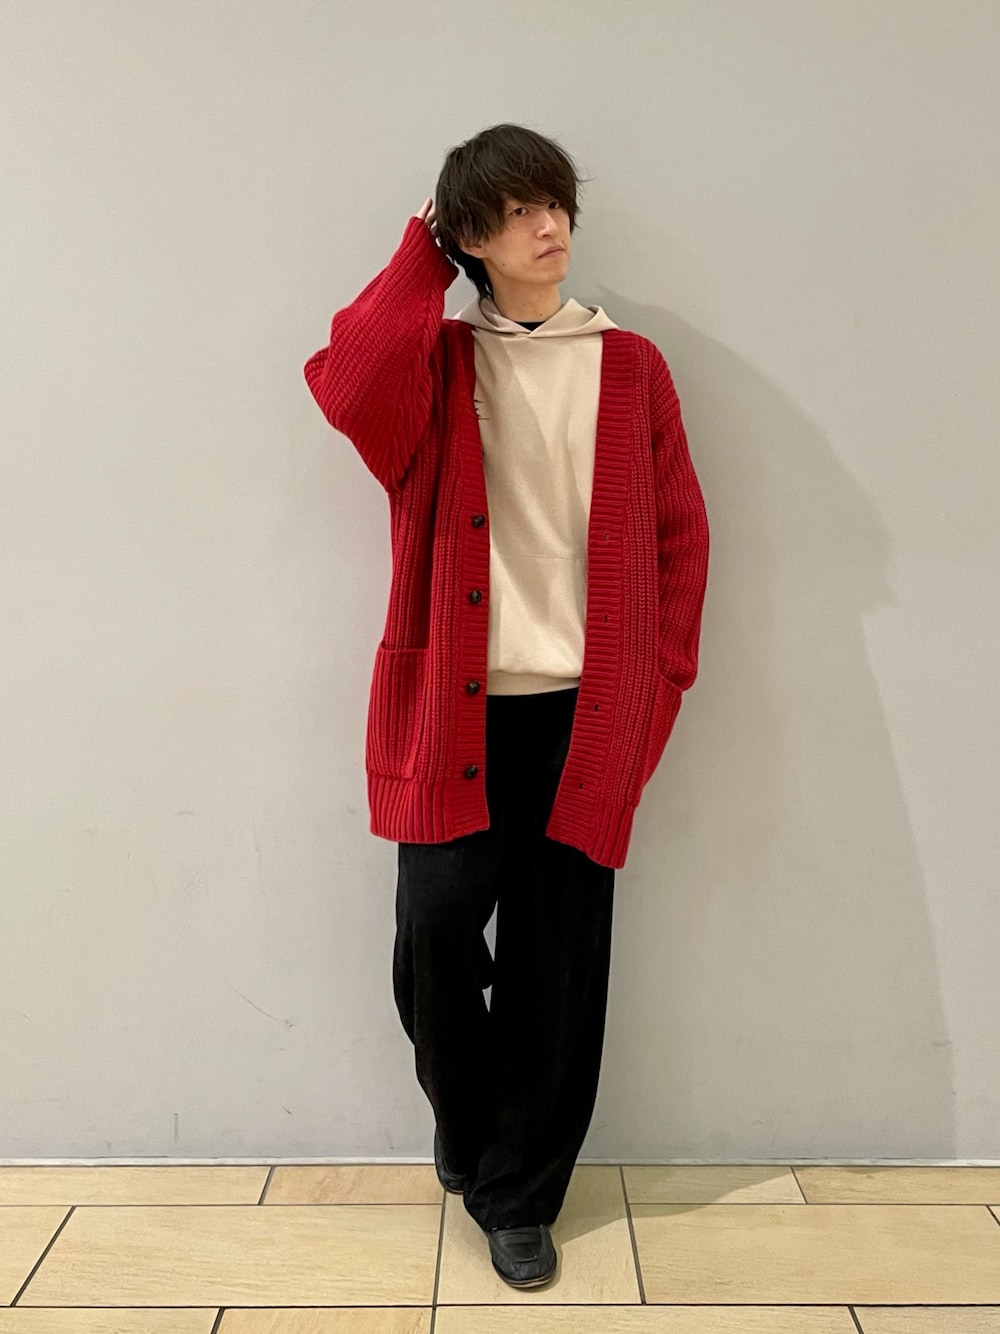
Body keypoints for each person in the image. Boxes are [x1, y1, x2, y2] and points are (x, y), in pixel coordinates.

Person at [303, 122, 710, 1290]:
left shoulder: (630, 366)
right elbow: (344, 380)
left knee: (557, 964)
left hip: (588, 712)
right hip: (455, 711)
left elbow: (680, 538)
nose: (550, 225)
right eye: (520, 209)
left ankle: (519, 1194)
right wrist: (422, 252)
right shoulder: (430, 367)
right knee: (434, 932)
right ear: (472, 237)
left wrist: (657, 689)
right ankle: (468, 1115)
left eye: (557, 203)